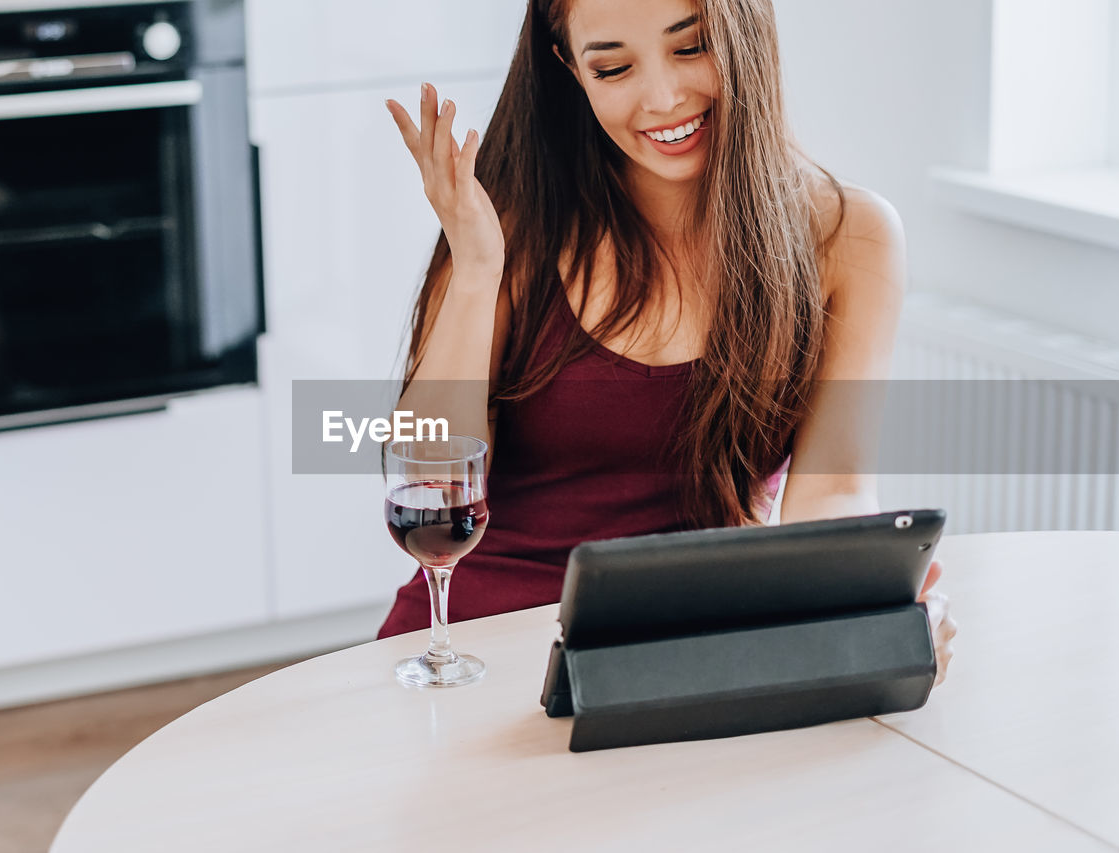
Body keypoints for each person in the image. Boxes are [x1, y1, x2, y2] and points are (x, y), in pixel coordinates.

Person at [376, 0, 955, 684]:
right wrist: (476, 269)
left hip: (681, 663)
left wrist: (874, 597)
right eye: (614, 66)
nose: (662, 97)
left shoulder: (850, 239)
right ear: (569, 68)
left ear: (747, 30)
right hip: (474, 656)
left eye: (691, 46)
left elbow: (833, 493)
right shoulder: (511, 223)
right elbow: (430, 472)